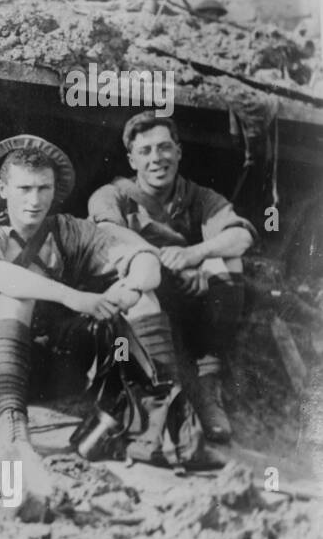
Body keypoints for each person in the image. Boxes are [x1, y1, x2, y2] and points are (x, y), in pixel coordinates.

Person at [0, 135, 176, 503]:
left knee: (142, 296)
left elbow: (145, 260)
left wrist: (129, 287)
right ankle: (11, 428)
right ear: (2, 188)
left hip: (61, 370)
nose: (35, 199)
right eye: (24, 188)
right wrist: (74, 297)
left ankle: (165, 418)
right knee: (16, 293)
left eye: (44, 188)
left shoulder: (69, 230)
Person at [88, 114, 254, 442]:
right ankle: (167, 398)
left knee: (228, 259)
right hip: (136, 302)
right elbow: (108, 230)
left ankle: (209, 386)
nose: (156, 158)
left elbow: (241, 235)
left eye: (165, 148)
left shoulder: (198, 196)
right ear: (132, 159)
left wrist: (196, 257)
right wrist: (170, 263)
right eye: (146, 150)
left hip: (186, 302)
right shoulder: (113, 195)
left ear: (178, 152)